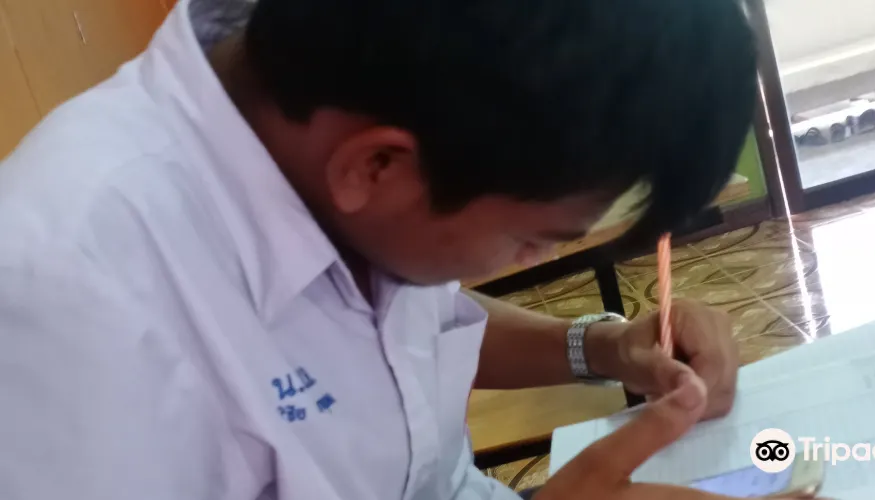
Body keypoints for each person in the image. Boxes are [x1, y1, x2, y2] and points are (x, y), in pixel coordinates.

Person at [0, 0, 761, 499]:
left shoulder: (359, 111)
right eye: (530, 236)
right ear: (374, 167)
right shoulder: (66, 293)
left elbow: (411, 324)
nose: (528, 260)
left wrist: (605, 348)